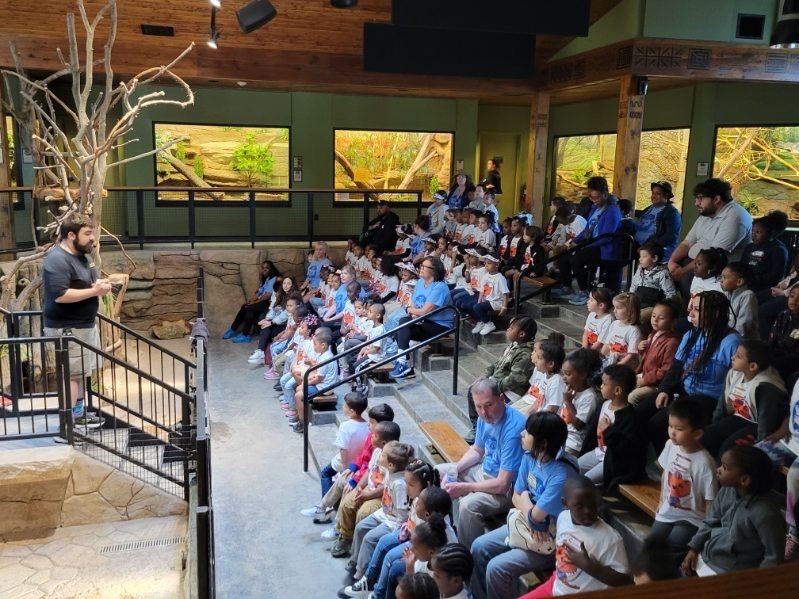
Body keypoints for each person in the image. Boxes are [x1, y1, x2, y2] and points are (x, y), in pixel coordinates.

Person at [471, 412, 576, 599]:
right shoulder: (529, 457)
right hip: (530, 527)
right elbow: (516, 496)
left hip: (549, 539)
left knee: (497, 568)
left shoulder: (561, 473)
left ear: (543, 443)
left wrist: (527, 503)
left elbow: (533, 511)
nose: (521, 434)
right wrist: (530, 511)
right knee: (479, 546)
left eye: (527, 432)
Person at [638, 291, 742, 454]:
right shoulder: (692, 333)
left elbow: (739, 379)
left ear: (714, 313)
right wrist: (664, 389)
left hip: (709, 398)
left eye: (697, 310)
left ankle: (669, 463)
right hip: (684, 390)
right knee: (640, 411)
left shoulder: (731, 342)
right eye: (691, 308)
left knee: (658, 422)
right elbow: (676, 366)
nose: (691, 313)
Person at [43, 213, 111, 440]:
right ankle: (66, 427)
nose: (93, 238)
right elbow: (60, 295)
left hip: (84, 325)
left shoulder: (83, 255)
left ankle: (79, 415)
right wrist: (94, 291)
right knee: (71, 375)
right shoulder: (57, 259)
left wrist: (98, 284)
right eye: (87, 233)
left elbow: (87, 280)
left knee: (81, 373)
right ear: (71, 235)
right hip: (66, 328)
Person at [440, 377, 526, 550]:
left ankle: (464, 556)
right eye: (478, 407)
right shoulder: (483, 418)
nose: (484, 413)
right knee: (440, 471)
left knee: (467, 505)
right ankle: (442, 533)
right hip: (484, 471)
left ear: (502, 399)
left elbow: (502, 484)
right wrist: (455, 469)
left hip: (507, 490)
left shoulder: (514, 428)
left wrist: (466, 487)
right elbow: (477, 450)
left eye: (488, 405)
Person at [518, 476, 630, 598]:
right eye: (579, 506)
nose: (587, 511)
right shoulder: (563, 518)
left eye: (592, 504)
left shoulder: (610, 539)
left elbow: (625, 581)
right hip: (557, 585)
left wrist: (587, 565)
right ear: (565, 504)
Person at [682, 445, 785, 576]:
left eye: (725, 468)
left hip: (732, 572)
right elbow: (710, 522)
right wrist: (694, 549)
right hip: (707, 556)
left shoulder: (765, 513)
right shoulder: (727, 490)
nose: (718, 470)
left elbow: (773, 556)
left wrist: (759, 584)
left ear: (744, 480)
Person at [648, 398, 718, 572]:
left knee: (672, 546)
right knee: (651, 544)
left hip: (692, 519)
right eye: (670, 426)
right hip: (668, 511)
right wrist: (661, 500)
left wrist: (705, 533)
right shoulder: (670, 445)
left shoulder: (705, 463)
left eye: (679, 429)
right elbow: (665, 473)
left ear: (697, 434)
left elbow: (710, 502)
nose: (672, 432)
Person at [301, 403, 395, 524]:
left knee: (345, 487)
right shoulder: (373, 437)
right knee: (342, 478)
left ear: (382, 426)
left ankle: (339, 525)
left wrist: (355, 481)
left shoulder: (382, 447)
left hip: (372, 483)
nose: (368, 424)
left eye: (372, 422)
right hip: (363, 474)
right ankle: (322, 508)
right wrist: (352, 467)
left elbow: (370, 469)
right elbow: (363, 457)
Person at [667, 178, 753, 298]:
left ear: (716, 199)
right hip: (693, 262)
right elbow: (687, 243)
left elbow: (712, 257)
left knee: (688, 278)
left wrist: (682, 272)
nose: (696, 203)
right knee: (660, 273)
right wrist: (672, 262)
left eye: (700, 198)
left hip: (716, 268)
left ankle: (693, 314)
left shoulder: (735, 217)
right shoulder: (706, 215)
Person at [702, 339, 787, 460]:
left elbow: (766, 421)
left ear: (752, 366)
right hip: (738, 418)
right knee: (707, 436)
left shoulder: (765, 387)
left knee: (728, 451)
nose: (732, 357)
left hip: (755, 425)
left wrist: (761, 447)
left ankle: (724, 476)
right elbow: (722, 403)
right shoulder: (733, 373)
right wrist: (716, 424)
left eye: (738, 356)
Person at [329, 421, 403, 557]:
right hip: (368, 488)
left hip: (380, 495)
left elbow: (385, 487)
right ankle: (345, 537)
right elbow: (369, 471)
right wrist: (358, 487)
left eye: (374, 435)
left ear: (384, 442)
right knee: (347, 503)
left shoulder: (393, 460)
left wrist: (367, 496)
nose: (371, 436)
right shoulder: (377, 452)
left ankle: (360, 546)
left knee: (364, 513)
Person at [348, 442, 416, 581]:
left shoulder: (400, 484)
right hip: (384, 512)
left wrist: (394, 531)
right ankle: (355, 560)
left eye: (383, 455)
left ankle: (361, 573)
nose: (379, 454)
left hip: (393, 521)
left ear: (390, 465)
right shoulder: (390, 472)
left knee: (369, 538)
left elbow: (402, 514)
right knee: (360, 527)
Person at [578, 364, 647, 488]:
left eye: (604, 384)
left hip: (613, 461)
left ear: (617, 391)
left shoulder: (630, 417)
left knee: (584, 482)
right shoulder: (604, 405)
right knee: (572, 470)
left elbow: (626, 449)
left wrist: (608, 430)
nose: (601, 386)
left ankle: (597, 506)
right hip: (598, 452)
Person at [389, 257, 454, 381]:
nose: (421, 269)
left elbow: (425, 311)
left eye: (425, 267)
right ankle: (406, 366)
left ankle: (402, 362)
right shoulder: (419, 282)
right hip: (424, 320)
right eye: (421, 266)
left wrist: (410, 311)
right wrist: (413, 313)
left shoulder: (440, 287)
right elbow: (414, 303)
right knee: (400, 331)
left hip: (440, 325)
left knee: (403, 324)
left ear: (434, 271)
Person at [560, 176, 622, 305]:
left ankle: (584, 291)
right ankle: (567, 286)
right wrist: (574, 241)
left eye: (596, 197)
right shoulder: (595, 208)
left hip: (604, 247)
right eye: (591, 197)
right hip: (592, 243)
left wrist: (585, 246)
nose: (593, 201)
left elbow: (607, 236)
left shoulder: (612, 211)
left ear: (605, 195)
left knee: (576, 258)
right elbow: (587, 229)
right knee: (565, 255)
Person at [756, 379, 799, 561]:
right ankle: (751, 514)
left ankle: (793, 533)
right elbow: (792, 411)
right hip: (791, 442)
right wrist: (783, 428)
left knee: (795, 477)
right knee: (751, 457)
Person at [629, 299, 682, 407]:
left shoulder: (673, 342)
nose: (655, 320)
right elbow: (648, 356)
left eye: (661, 318)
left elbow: (665, 370)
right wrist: (641, 348)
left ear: (673, 321)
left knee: (633, 397)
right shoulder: (653, 333)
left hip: (656, 383)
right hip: (644, 374)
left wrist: (645, 380)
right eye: (653, 316)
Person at [319, 391, 370, 499]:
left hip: (346, 462)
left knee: (325, 474)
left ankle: (326, 501)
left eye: (345, 405)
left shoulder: (345, 426)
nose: (343, 407)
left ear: (352, 411)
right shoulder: (368, 426)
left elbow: (343, 450)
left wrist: (346, 468)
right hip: (359, 463)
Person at [559, 349, 602, 458]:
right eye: (563, 373)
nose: (564, 377)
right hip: (560, 434)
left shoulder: (589, 397)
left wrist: (568, 403)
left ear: (582, 375)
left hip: (573, 443)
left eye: (568, 374)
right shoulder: (570, 389)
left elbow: (578, 425)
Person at [223, 260, 280, 342]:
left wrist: (253, 303)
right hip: (262, 301)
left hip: (268, 303)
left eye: (267, 268)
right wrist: (250, 301)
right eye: (263, 268)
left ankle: (245, 335)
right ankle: (233, 330)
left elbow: (266, 296)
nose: (264, 270)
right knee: (244, 306)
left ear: (271, 269)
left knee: (249, 308)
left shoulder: (274, 279)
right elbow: (259, 292)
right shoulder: (266, 278)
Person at [248, 276, 297, 366]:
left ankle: (261, 352)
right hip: (278, 321)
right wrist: (267, 319)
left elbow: (286, 314)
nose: (285, 286)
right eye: (284, 283)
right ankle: (260, 352)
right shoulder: (281, 294)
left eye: (288, 284)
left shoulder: (294, 297)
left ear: (292, 285)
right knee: (265, 325)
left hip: (287, 325)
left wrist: (271, 322)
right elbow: (273, 309)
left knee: (267, 328)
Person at [512, 340, 566, 417]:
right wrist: (528, 413)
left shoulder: (556, 382)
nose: (536, 360)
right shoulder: (548, 378)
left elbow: (552, 409)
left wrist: (535, 420)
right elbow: (539, 400)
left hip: (544, 421)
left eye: (539, 358)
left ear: (550, 364)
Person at [742, 210, 788, 294]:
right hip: (747, 284)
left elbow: (776, 275)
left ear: (771, 232)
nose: (753, 235)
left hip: (766, 288)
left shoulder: (778, 249)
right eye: (752, 231)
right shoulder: (749, 247)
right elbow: (742, 265)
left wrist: (752, 280)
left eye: (758, 232)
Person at [634, 181, 682, 261]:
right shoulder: (649, 209)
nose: (654, 196)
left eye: (657, 194)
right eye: (653, 193)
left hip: (659, 252)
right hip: (641, 249)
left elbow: (671, 236)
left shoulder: (672, 213)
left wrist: (650, 246)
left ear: (666, 195)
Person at [630, 242, 679, 311]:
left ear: (655, 258)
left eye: (644, 256)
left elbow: (670, 294)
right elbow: (633, 286)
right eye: (640, 256)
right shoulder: (639, 270)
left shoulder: (663, 273)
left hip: (653, 308)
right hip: (638, 305)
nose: (640, 259)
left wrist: (663, 308)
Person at [600, 292, 642, 369]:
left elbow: (631, 355)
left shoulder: (633, 330)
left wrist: (616, 366)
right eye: (614, 307)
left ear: (630, 311)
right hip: (611, 361)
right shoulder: (615, 324)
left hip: (625, 367)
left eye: (618, 308)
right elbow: (607, 345)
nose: (614, 311)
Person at [767, 285, 799, 382]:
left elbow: (791, 347)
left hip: (794, 358)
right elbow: (772, 339)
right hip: (779, 353)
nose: (794, 300)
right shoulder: (783, 314)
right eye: (792, 296)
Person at [720, 262, 758, 339]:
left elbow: (743, 327)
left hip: (743, 342)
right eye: (721, 277)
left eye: (724, 277)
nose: (721, 280)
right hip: (727, 336)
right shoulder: (727, 294)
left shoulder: (748, 295)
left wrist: (726, 337)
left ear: (739, 282)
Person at [581, 288, 613, 353]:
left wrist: (587, 353)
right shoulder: (592, 314)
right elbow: (586, 332)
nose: (588, 301)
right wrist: (584, 347)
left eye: (591, 300)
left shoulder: (608, 320)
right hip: (588, 350)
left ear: (601, 305)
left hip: (598, 352)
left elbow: (600, 342)